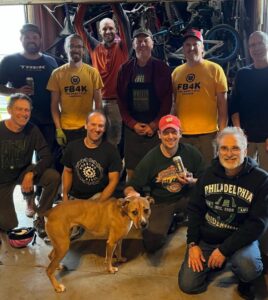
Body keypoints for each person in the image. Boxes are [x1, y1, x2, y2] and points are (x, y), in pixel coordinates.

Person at [178, 127, 268, 299]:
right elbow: (195, 209)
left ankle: (245, 276)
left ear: (245, 149)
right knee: (188, 285)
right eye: (224, 148)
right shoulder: (206, 175)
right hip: (208, 238)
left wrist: (224, 251)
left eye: (235, 148)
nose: (229, 154)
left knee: (248, 267)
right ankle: (217, 261)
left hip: (241, 240)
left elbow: (258, 224)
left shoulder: (262, 180)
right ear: (217, 150)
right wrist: (192, 244)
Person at [0, 23, 59, 217]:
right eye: (28, 37)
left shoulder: (51, 62)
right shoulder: (10, 61)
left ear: (40, 39)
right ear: (22, 39)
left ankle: (43, 200)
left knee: (46, 161)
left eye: (35, 37)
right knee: (23, 162)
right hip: (22, 122)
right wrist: (15, 91)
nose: (31, 40)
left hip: (48, 120)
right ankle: (29, 201)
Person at [124, 115, 205, 252]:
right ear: (159, 135)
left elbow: (207, 180)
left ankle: (182, 216)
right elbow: (131, 186)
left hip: (187, 199)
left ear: (180, 133)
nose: (170, 137)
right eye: (166, 133)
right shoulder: (151, 158)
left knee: (207, 230)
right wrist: (132, 194)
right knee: (152, 244)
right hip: (162, 203)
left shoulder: (191, 152)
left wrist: (192, 181)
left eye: (174, 132)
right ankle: (172, 221)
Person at [0, 93, 60, 239]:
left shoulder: (32, 130)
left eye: (27, 110)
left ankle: (41, 216)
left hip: (23, 172)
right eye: (19, 109)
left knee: (53, 177)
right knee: (9, 225)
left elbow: (46, 156)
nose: (24, 113)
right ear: (9, 110)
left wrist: (31, 173)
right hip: (2, 180)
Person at [117, 28, 173, 180]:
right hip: (132, 129)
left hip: (154, 128)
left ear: (152, 44)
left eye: (145, 40)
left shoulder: (162, 68)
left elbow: (168, 100)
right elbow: (120, 101)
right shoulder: (125, 69)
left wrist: (154, 125)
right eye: (138, 41)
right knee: (132, 171)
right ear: (133, 45)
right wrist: (131, 123)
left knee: (156, 168)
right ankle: (133, 200)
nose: (142, 44)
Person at [74, 4, 132, 146]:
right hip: (97, 101)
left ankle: (113, 167)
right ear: (99, 32)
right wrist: (83, 4)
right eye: (104, 29)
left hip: (116, 104)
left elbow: (123, 20)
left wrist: (113, 3)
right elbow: (77, 24)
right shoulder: (94, 47)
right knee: (95, 140)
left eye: (111, 28)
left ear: (116, 30)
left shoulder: (124, 46)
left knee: (113, 142)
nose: (108, 31)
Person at [172, 29, 228, 165]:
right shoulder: (176, 73)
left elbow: (223, 106)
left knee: (208, 174)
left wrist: (222, 133)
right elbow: (174, 104)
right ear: (183, 49)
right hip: (183, 135)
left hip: (209, 136)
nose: (191, 48)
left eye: (195, 44)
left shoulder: (215, 69)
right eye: (187, 45)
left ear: (202, 47)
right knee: (186, 175)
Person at [47, 33, 103, 147]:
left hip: (88, 127)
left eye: (79, 47)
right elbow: (54, 105)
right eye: (71, 46)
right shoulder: (57, 74)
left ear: (83, 50)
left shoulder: (93, 73)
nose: (75, 49)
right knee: (70, 163)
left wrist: (97, 125)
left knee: (88, 162)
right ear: (65, 48)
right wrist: (58, 129)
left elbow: (98, 103)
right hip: (67, 128)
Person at [61, 111, 122, 202]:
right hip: (75, 198)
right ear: (86, 125)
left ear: (104, 129)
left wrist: (98, 203)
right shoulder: (72, 147)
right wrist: (65, 196)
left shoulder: (111, 151)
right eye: (93, 124)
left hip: (99, 197)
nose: (97, 129)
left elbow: (114, 181)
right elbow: (67, 171)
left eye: (100, 126)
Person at [230, 31, 268, 171]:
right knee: (243, 176)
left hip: (266, 140)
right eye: (252, 45)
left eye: (260, 43)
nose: (256, 48)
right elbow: (234, 105)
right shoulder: (243, 74)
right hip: (246, 139)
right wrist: (239, 131)